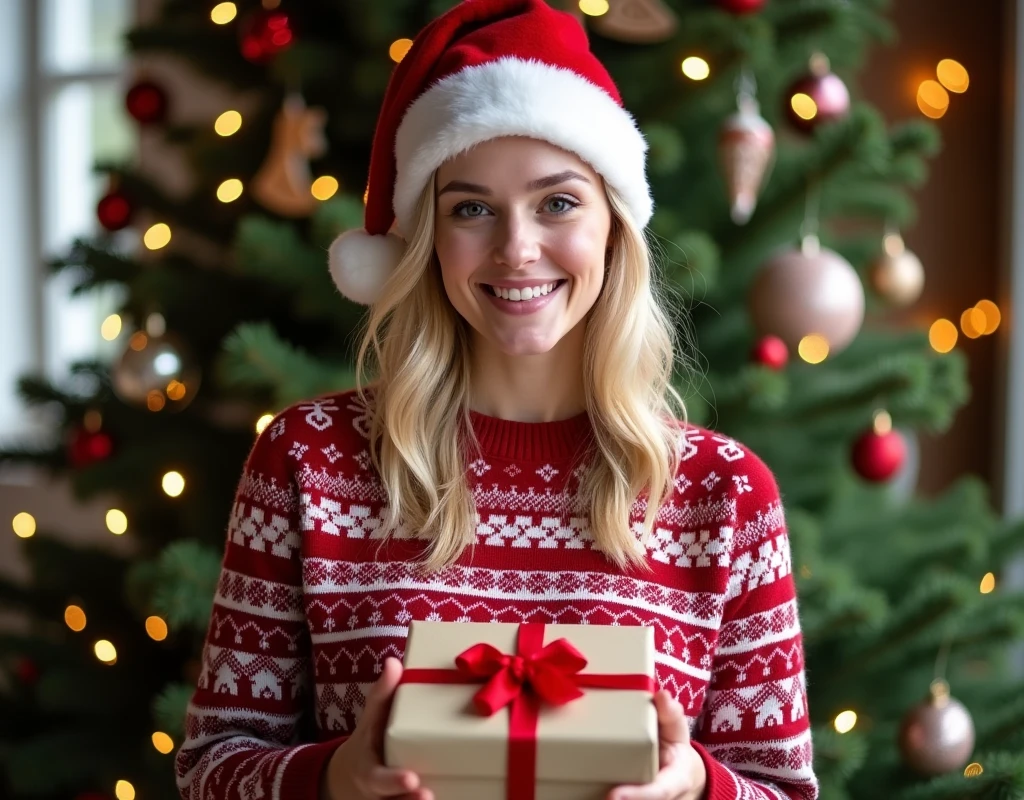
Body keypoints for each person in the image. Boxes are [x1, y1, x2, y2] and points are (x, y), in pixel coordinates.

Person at [174, 1, 819, 799]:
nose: (517, 249)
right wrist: (336, 774)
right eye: (471, 209)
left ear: (614, 228)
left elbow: (782, 791)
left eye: (558, 202)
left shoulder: (723, 496)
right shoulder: (309, 459)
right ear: (426, 242)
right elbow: (210, 769)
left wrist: (696, 786)